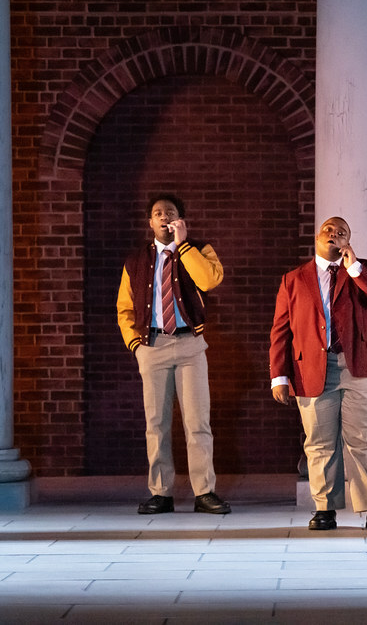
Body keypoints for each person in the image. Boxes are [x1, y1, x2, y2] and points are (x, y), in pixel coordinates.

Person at [269, 216, 367, 531]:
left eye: (342, 232)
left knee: (364, 439)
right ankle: (324, 509)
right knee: (320, 442)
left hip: (357, 364)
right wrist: (279, 375)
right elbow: (280, 330)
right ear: (318, 237)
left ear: (348, 240)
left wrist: (355, 267)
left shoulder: (364, 269)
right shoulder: (293, 279)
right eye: (329, 230)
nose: (334, 234)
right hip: (311, 369)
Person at [116, 194, 231, 515]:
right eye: (157, 213)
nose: (164, 217)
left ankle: (204, 491)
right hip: (152, 345)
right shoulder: (136, 259)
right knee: (156, 423)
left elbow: (209, 281)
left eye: (171, 212)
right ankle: (161, 492)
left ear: (181, 219)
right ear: (149, 222)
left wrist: (183, 245)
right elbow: (124, 307)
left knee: (198, 422)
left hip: (190, 345)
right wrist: (135, 345)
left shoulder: (199, 249)